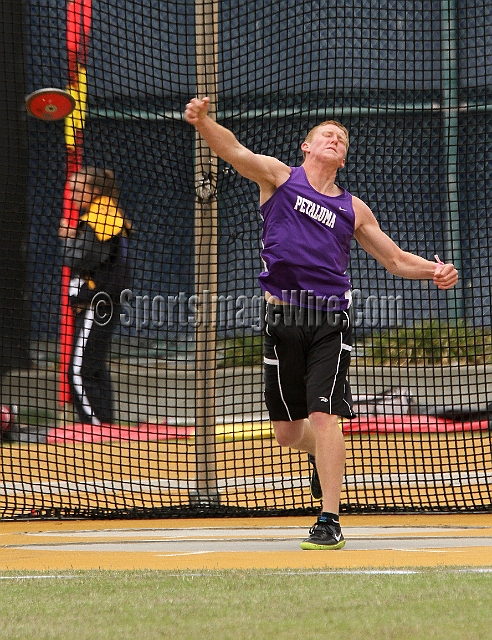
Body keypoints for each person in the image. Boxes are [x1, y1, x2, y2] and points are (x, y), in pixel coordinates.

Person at [184, 97, 458, 550]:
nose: (334, 139)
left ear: (343, 158)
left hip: (330, 319)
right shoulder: (279, 178)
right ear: (306, 147)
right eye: (326, 135)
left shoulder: (353, 208)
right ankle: (319, 456)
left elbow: (392, 259)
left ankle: (329, 519)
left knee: (324, 414)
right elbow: (233, 151)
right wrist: (204, 122)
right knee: (289, 432)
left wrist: (434, 271)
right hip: (280, 318)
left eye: (341, 139)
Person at [58, 167, 132, 426]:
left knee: (78, 371)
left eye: (79, 190)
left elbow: (81, 258)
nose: (74, 197)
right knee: (95, 368)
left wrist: (68, 239)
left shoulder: (102, 215)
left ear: (95, 191)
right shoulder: (103, 214)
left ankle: (94, 427)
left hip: (96, 305)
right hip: (101, 303)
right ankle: (106, 425)